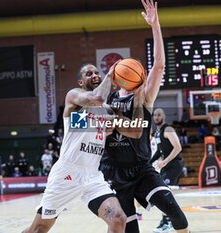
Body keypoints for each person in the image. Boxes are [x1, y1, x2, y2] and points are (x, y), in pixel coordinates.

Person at [23, 59, 144, 233]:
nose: (95, 75)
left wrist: (139, 98)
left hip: (92, 176)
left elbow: (136, 131)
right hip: (66, 174)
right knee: (38, 229)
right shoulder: (74, 97)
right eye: (89, 74)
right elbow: (97, 97)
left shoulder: (109, 110)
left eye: (97, 73)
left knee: (118, 218)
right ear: (81, 82)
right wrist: (110, 75)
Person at [100, 1, 189, 233]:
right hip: (114, 172)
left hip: (141, 168)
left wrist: (155, 25)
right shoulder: (107, 100)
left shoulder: (144, 96)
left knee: (174, 210)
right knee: (130, 229)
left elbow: (158, 66)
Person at [150, 108, 184, 233]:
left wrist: (165, 161)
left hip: (174, 165)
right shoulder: (158, 132)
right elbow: (159, 151)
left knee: (163, 193)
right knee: (165, 194)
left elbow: (178, 147)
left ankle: (167, 221)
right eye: (155, 115)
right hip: (167, 166)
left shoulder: (168, 129)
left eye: (159, 115)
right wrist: (147, 163)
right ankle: (168, 220)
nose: (156, 117)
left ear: (164, 117)